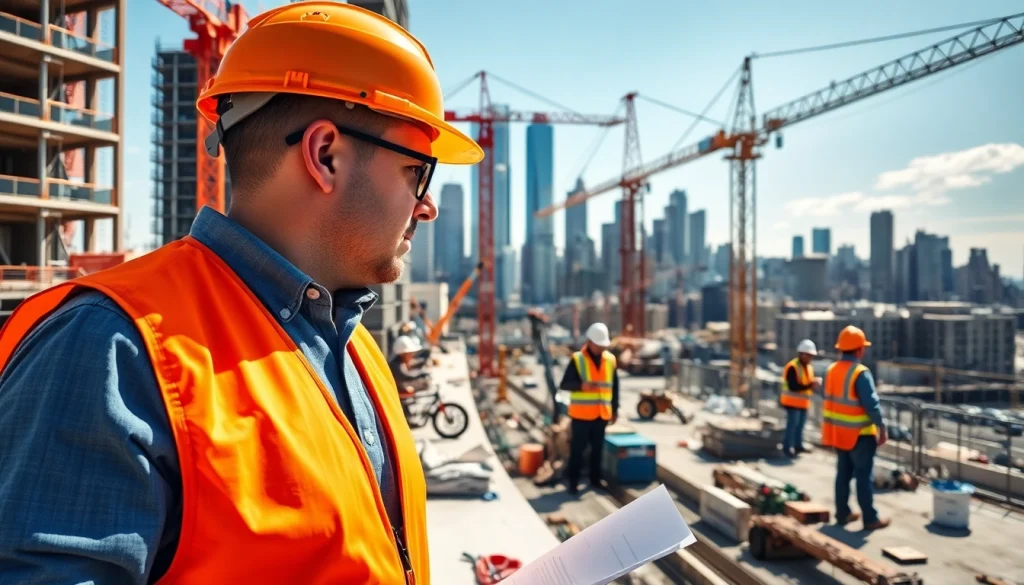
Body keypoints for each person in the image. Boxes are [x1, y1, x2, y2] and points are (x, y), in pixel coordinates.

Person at [0, 3, 483, 583]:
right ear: (325, 154)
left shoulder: (354, 354)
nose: (426, 206)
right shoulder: (111, 349)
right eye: (417, 172)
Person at [822, 325, 891, 531]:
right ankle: (870, 519)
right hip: (860, 435)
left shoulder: (831, 370)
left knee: (843, 474)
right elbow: (871, 404)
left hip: (839, 433)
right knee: (863, 477)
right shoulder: (860, 372)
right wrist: (882, 427)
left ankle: (842, 514)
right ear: (860, 349)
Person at [558, 322, 620, 495]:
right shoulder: (578, 359)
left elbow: (614, 387)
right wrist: (581, 386)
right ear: (590, 342)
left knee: (597, 450)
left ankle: (595, 480)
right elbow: (564, 384)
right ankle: (573, 483)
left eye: (603, 345)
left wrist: (615, 409)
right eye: (598, 344)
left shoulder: (610, 360)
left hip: (601, 414)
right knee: (577, 450)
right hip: (581, 416)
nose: (600, 348)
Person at [780, 338, 822, 457]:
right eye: (808, 355)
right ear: (801, 354)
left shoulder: (808, 367)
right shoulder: (792, 367)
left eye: (811, 355)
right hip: (791, 402)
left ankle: (798, 445)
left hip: (803, 403)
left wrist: (813, 384)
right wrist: (811, 384)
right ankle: (787, 448)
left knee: (800, 426)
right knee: (792, 426)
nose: (810, 358)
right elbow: (793, 386)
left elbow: (806, 385)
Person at [390, 335, 433, 417]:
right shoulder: (396, 365)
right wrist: (421, 374)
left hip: (401, 385)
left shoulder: (399, 362)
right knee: (424, 384)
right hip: (398, 389)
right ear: (403, 354)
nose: (412, 356)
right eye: (410, 354)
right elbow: (406, 376)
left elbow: (411, 366)